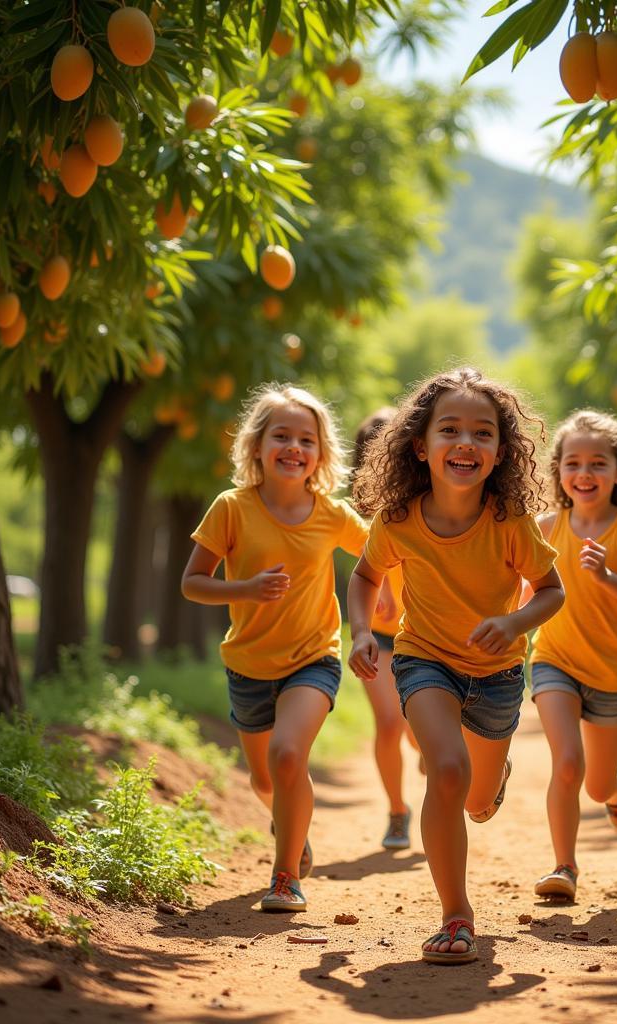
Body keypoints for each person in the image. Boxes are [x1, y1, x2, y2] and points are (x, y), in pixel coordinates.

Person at [347, 367, 564, 965]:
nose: (465, 443)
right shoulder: (398, 520)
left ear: (500, 452)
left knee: (475, 798)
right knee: (445, 770)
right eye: (450, 430)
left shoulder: (509, 520)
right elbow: (365, 576)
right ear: (421, 445)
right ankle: (455, 915)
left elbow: (551, 590)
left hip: (496, 673)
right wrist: (363, 631)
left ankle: (491, 781)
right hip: (424, 660)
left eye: (482, 433)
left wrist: (515, 623)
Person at [181, 383, 368, 912]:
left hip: (314, 657)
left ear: (320, 454)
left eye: (306, 439)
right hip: (248, 663)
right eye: (281, 436)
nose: (294, 447)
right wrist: (244, 588)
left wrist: (387, 599)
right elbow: (192, 583)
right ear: (257, 446)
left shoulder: (331, 513)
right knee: (265, 777)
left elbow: (383, 553)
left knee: (289, 755)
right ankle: (292, 824)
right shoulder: (231, 508)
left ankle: (286, 876)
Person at [528, 410, 617, 903]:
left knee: (597, 784)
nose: (584, 474)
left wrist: (607, 578)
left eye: (597, 464)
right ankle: (564, 865)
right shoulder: (545, 526)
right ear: (559, 471)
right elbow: (526, 594)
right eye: (573, 463)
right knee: (567, 764)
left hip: (613, 674)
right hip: (554, 661)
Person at [352, 408, 422, 851]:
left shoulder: (427, 506)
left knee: (418, 730)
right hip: (378, 637)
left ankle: (431, 756)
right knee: (389, 723)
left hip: (424, 637)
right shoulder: (362, 515)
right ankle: (397, 811)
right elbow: (361, 569)